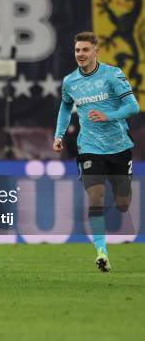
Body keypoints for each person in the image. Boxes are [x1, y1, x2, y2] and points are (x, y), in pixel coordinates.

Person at [53, 31, 139, 272]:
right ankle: (101, 252)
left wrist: (108, 116)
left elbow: (133, 106)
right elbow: (65, 107)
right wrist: (58, 135)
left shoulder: (113, 75)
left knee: (122, 203)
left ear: (96, 51)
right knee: (96, 196)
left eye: (85, 50)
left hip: (119, 147)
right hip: (89, 147)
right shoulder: (70, 81)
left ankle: (122, 190)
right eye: (77, 50)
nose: (80, 54)